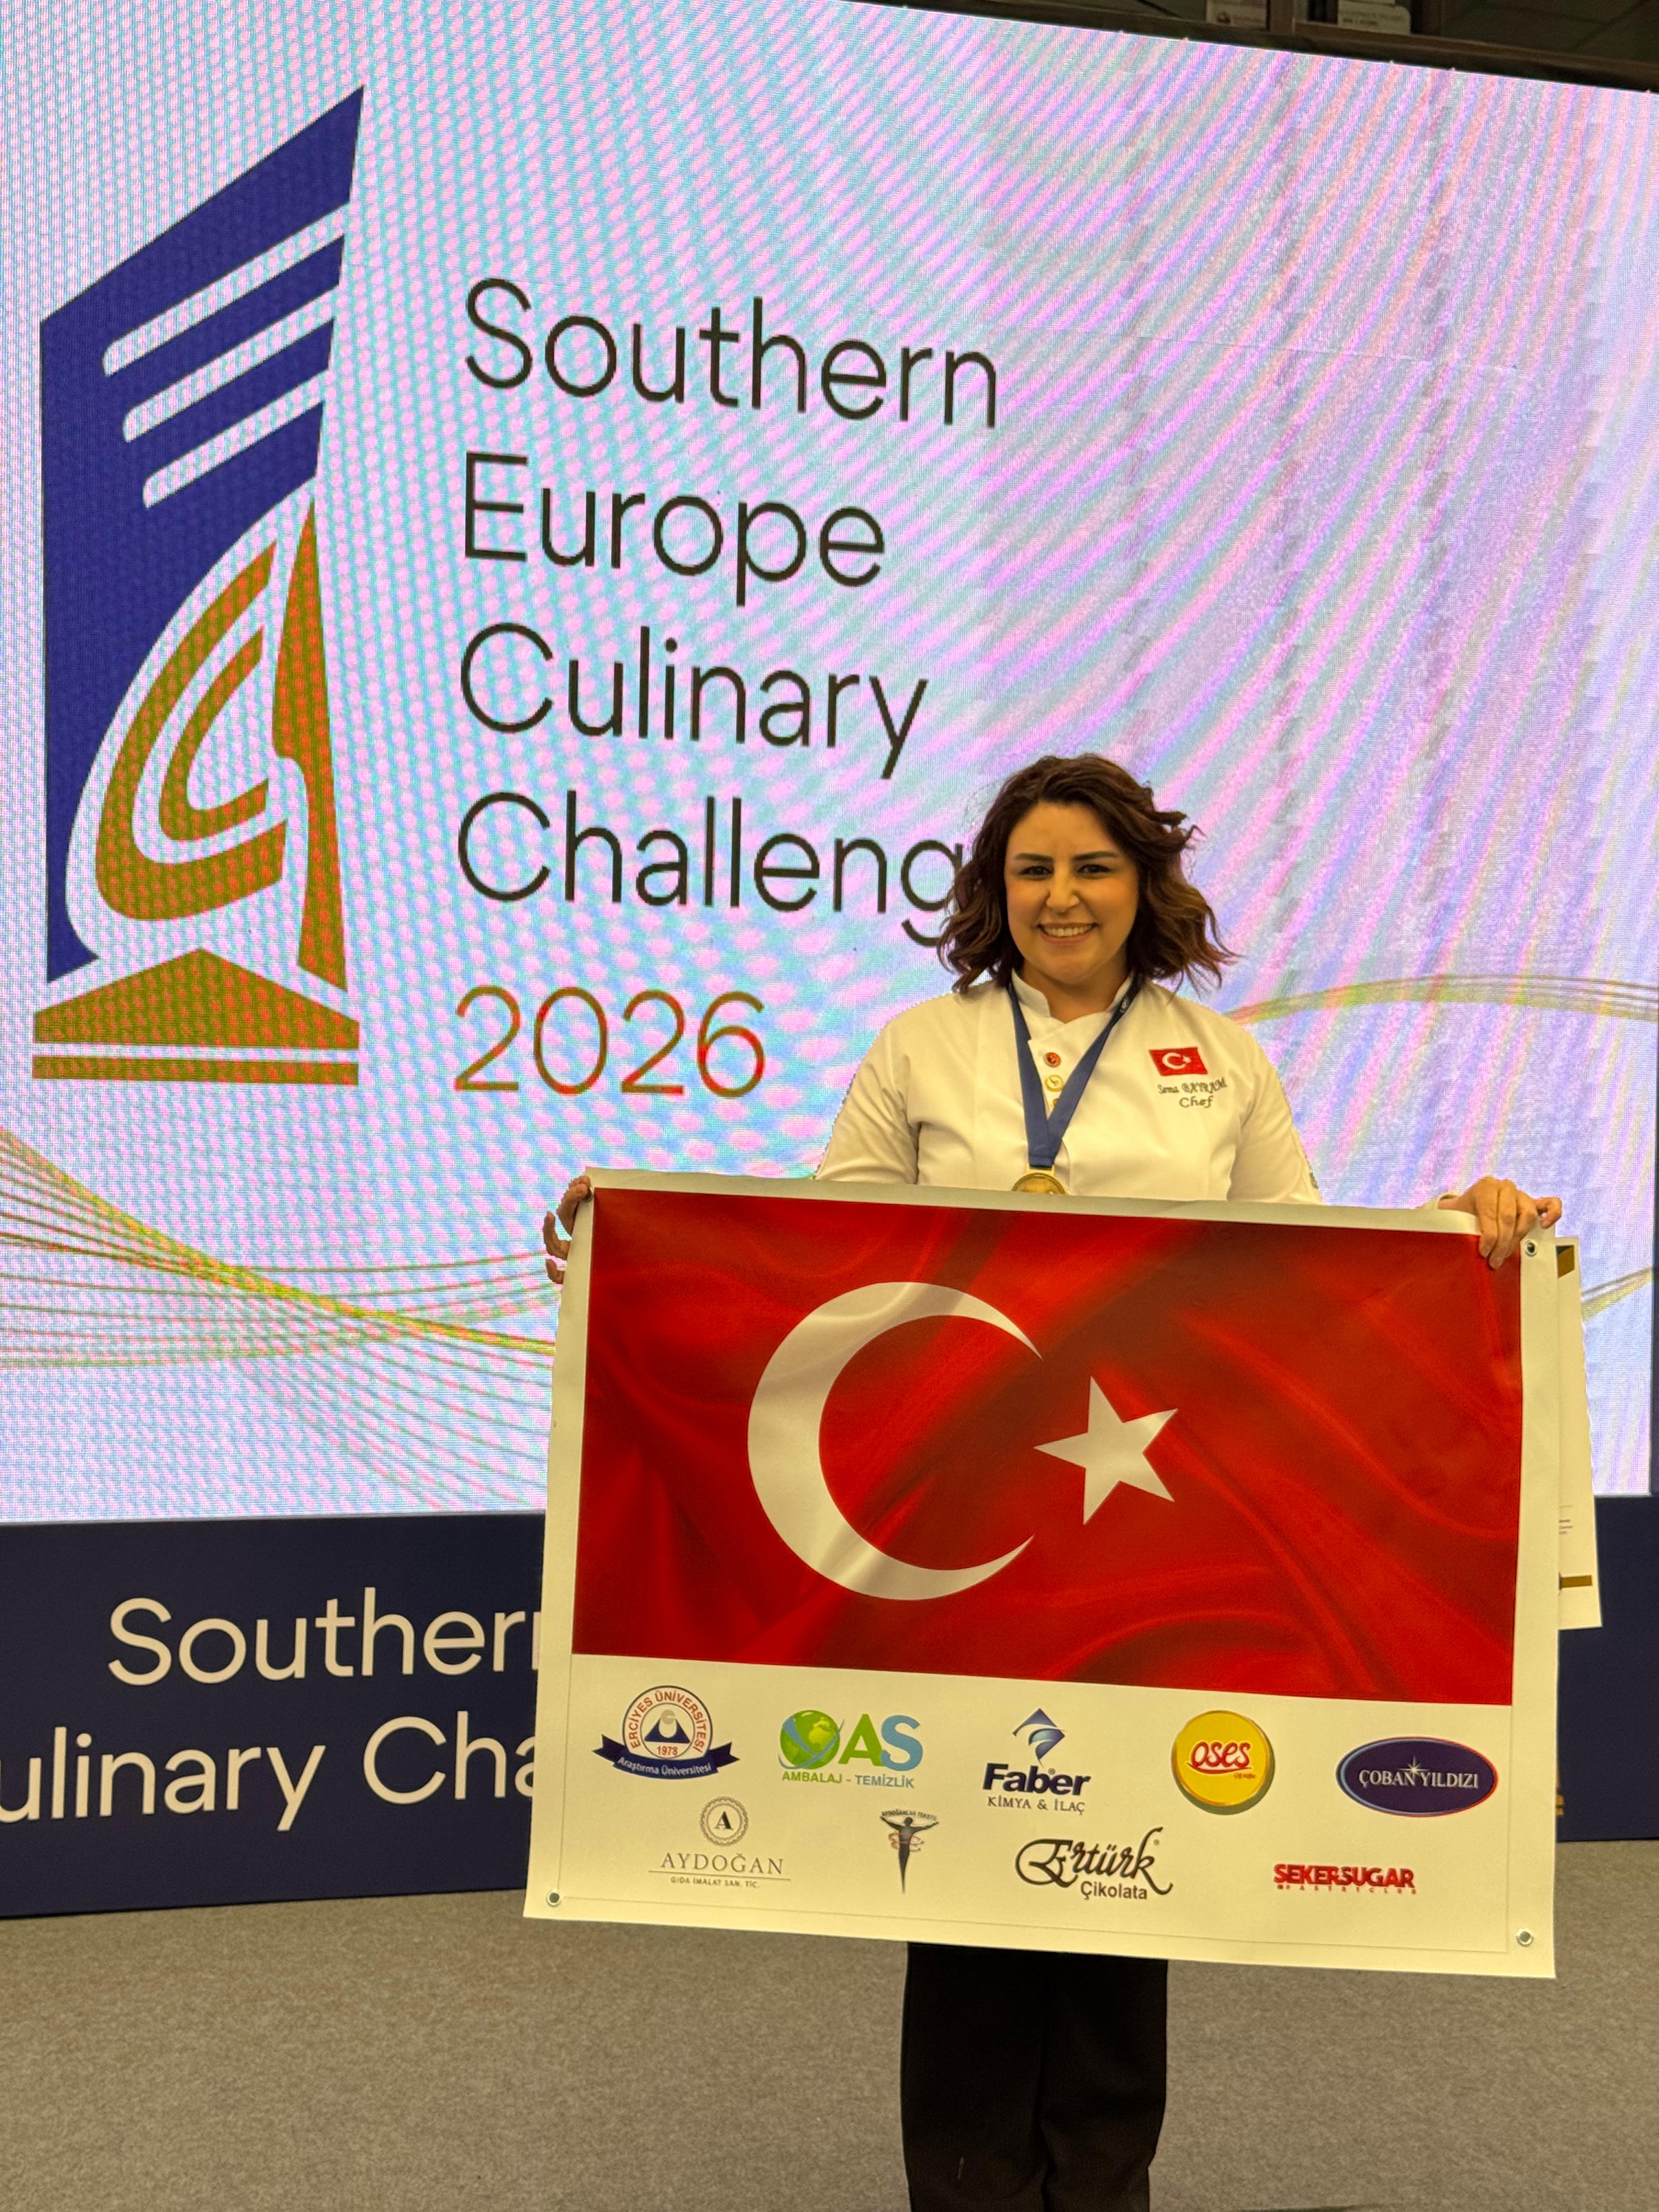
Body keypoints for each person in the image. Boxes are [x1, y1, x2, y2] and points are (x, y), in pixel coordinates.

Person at [544, 751, 1559, 2212]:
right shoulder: (922, 1047)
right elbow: (827, 1264)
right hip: (961, 1513)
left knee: (1134, 1859)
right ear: (995, 889)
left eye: (1092, 867)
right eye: (1033, 870)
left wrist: (1460, 1230)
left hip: (1148, 1522)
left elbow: (1306, 1271)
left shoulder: (1223, 1056)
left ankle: (1101, 2183)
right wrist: (644, 1232)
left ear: (1143, 885)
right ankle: (964, 2185)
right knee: (961, 1867)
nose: (1062, 896)